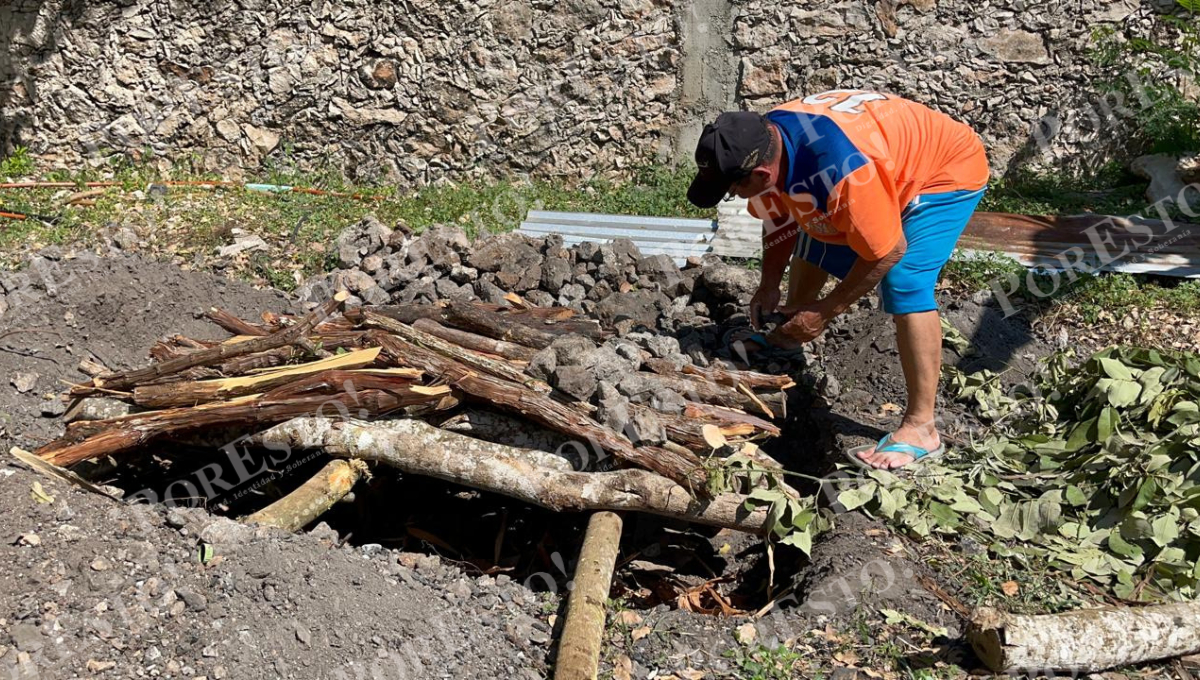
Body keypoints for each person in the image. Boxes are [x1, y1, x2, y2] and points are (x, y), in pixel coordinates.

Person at [686, 90, 989, 471]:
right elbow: (780, 218)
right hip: (878, 160)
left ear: (762, 174)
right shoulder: (769, 139)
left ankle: (921, 428)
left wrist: (825, 311)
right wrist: (769, 285)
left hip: (943, 170)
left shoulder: (843, 172)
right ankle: (789, 334)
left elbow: (887, 250)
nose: (732, 195)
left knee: (904, 279)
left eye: (734, 188)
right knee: (817, 228)